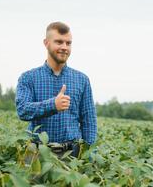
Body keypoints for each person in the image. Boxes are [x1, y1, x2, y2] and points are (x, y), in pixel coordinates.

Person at [15, 21, 97, 158]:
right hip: (37, 154)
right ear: (46, 43)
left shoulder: (82, 79)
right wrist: (53, 105)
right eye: (59, 42)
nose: (64, 47)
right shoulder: (28, 77)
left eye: (68, 43)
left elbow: (89, 121)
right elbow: (22, 110)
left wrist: (89, 155)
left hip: (71, 155)